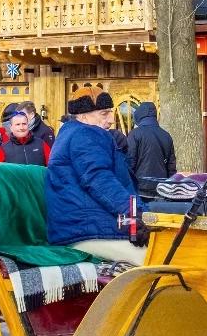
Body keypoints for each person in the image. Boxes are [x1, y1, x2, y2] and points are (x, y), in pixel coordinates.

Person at [45, 86, 145, 266]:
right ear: (83, 117)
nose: (111, 120)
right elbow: (98, 179)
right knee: (155, 257)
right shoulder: (85, 134)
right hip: (85, 229)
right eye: (104, 114)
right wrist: (136, 215)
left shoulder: (72, 133)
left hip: (81, 225)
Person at [125, 102, 176, 181]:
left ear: (139, 115)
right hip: (162, 187)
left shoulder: (135, 134)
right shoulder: (166, 136)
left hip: (140, 187)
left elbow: (129, 163)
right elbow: (171, 167)